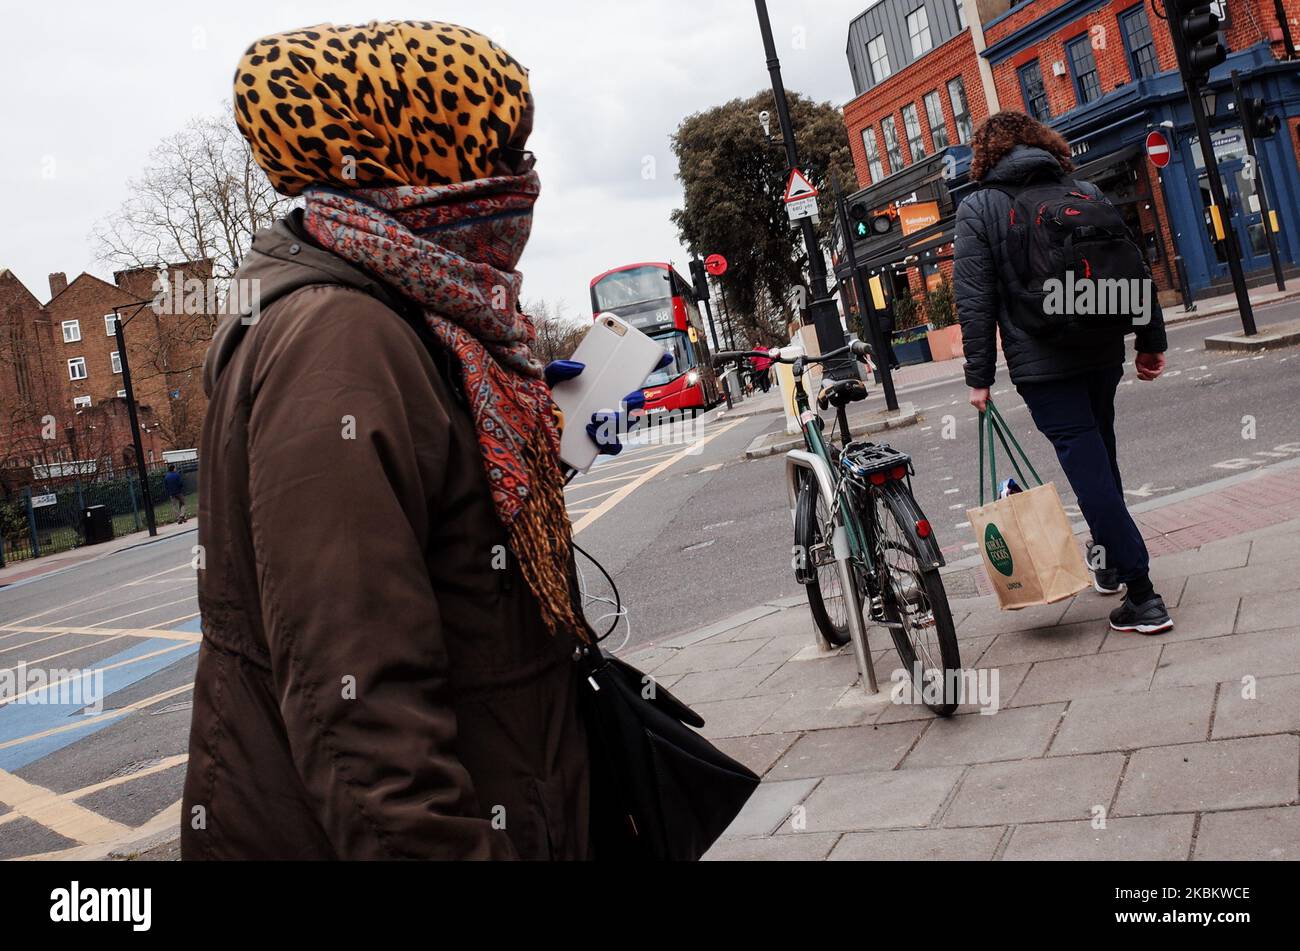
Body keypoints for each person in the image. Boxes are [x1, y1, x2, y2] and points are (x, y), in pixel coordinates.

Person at [183, 21, 637, 860]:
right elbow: (361, 727)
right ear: (418, 154)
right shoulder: (339, 341)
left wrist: (541, 442)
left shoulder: (406, 312)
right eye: (501, 150)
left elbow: (431, 549)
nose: (523, 179)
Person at [954, 111, 1172, 635]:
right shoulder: (1084, 190)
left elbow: (975, 299)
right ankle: (1115, 564)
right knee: (1101, 456)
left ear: (985, 155)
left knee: (1087, 466)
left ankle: (1143, 595)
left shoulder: (979, 207)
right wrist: (1149, 341)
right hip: (1100, 349)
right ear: (1041, 144)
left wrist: (978, 378)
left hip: (1042, 363)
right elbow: (1132, 265)